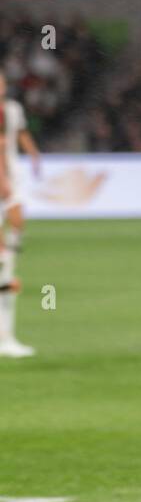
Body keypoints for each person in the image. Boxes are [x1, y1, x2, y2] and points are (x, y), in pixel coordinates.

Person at [0, 73, 40, 358]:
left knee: (6, 263)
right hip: (5, 181)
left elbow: (13, 140)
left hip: (9, 180)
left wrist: (34, 155)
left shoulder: (11, 111)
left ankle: (6, 336)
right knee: (4, 271)